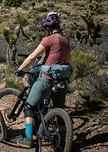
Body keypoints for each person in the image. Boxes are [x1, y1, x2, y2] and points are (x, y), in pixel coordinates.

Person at [15, 12, 71, 148]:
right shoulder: (66, 39)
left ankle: (28, 139)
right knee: (60, 111)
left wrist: (20, 69)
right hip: (62, 80)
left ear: (48, 27)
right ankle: (63, 142)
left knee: (29, 106)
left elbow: (33, 56)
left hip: (47, 79)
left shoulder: (49, 39)